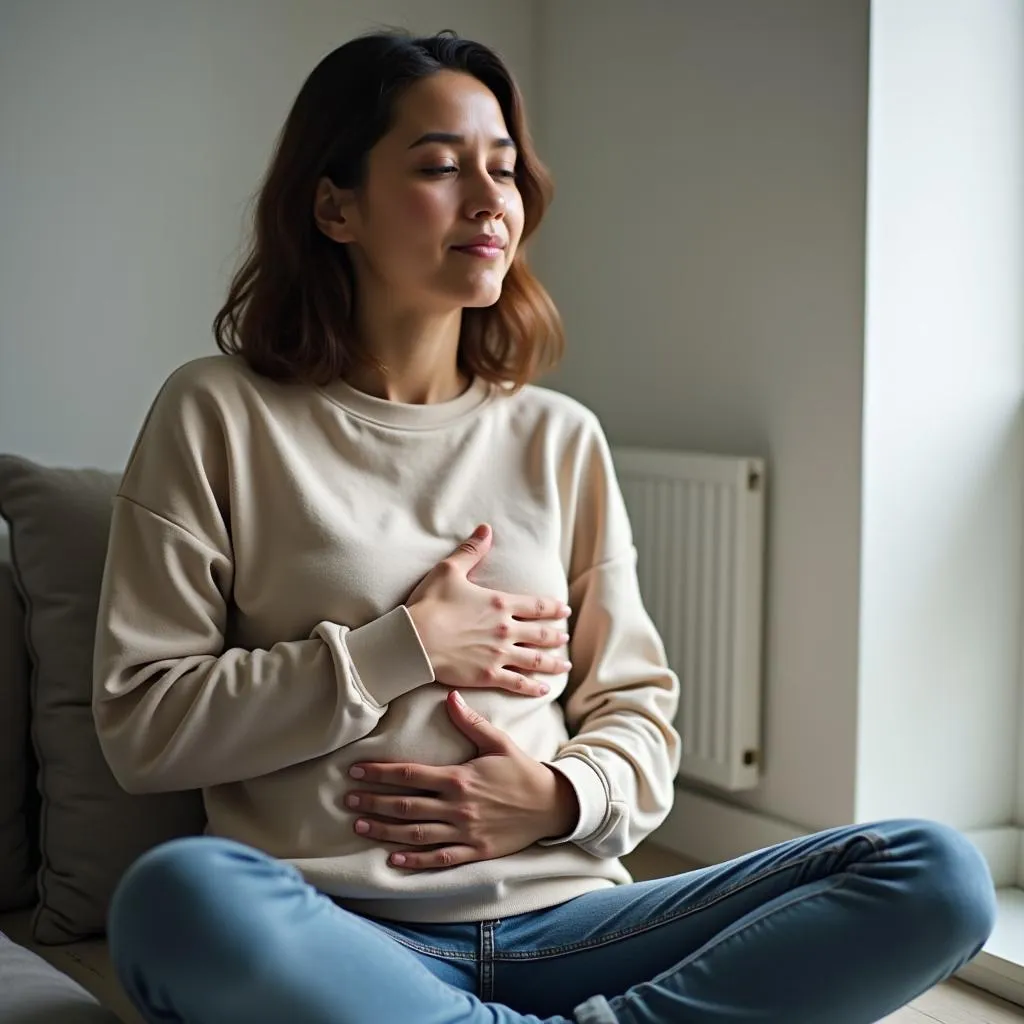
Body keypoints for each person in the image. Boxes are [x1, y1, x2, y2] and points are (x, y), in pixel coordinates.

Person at [92, 29, 996, 1024]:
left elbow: (637, 716)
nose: (490, 202)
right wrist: (401, 650)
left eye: (505, 169)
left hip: (573, 922)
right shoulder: (217, 413)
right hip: (339, 928)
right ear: (332, 204)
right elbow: (146, 724)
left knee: (936, 873)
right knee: (177, 900)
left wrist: (558, 798)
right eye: (439, 166)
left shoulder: (558, 436)